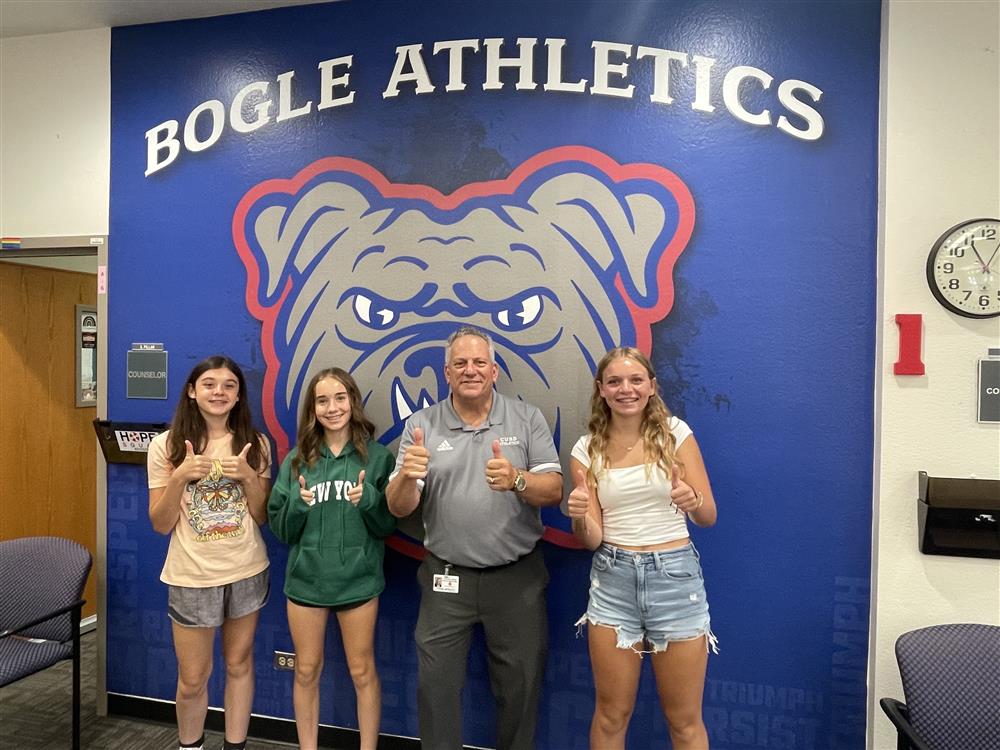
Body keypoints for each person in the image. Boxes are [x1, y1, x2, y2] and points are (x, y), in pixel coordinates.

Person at [386, 326, 563, 750]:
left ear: (494, 370)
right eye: (460, 364)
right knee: (436, 690)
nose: (470, 370)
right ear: (446, 373)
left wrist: (518, 480)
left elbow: (554, 489)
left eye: (479, 362)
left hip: (516, 579)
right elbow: (398, 507)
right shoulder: (421, 425)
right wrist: (408, 477)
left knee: (520, 689)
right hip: (446, 581)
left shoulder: (526, 418)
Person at [567, 346, 718, 750]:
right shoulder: (586, 450)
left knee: (684, 722)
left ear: (651, 386)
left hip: (675, 579)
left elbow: (708, 517)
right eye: (614, 381)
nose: (625, 389)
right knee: (611, 715)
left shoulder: (676, 434)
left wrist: (693, 501)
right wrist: (580, 514)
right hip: (612, 580)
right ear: (601, 390)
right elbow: (591, 540)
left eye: (636, 380)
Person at [147, 355, 272, 750]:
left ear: (238, 395)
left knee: (239, 665)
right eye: (210, 384)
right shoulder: (163, 446)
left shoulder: (257, 443)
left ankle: (236, 745)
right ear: (191, 391)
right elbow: (160, 523)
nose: (219, 392)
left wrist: (250, 476)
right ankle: (191, 744)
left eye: (229, 385)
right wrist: (180, 477)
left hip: (247, 570)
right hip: (191, 576)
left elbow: (263, 515)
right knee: (193, 678)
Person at [267, 368, 396, 750]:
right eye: (322, 400)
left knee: (362, 669)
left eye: (340, 398)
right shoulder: (296, 460)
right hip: (306, 582)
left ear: (353, 401)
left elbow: (389, 524)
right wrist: (297, 506)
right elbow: (282, 531)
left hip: (358, 581)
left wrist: (370, 500)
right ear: (313, 409)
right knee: (305, 670)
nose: (332, 407)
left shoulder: (378, 458)